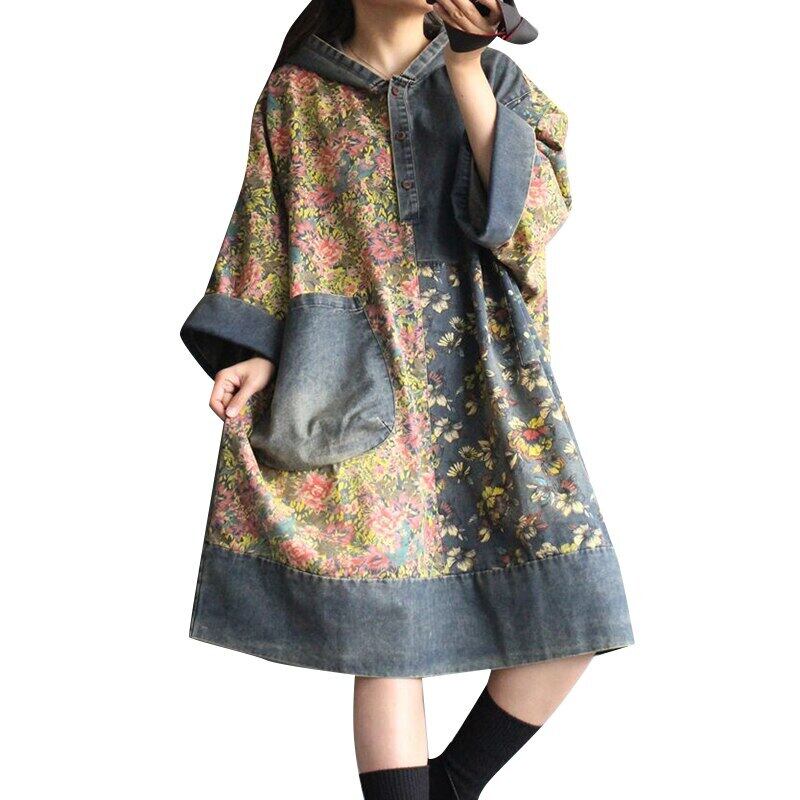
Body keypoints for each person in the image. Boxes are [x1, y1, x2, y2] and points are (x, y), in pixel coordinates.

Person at [179, 1, 634, 797]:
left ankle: (450, 787)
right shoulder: (295, 94)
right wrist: (255, 351)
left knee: (577, 597)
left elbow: (526, 221)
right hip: (349, 382)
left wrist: (464, 64)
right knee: (386, 627)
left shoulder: (494, 76)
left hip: (485, 380)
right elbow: (264, 232)